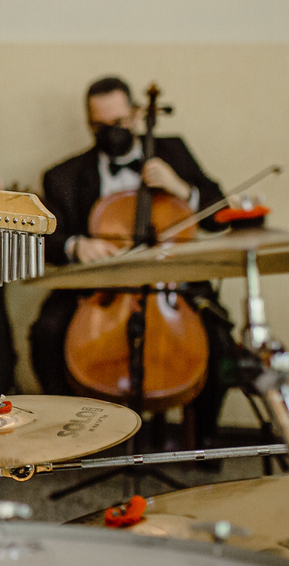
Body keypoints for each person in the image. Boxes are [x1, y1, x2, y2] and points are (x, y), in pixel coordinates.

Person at [29, 76, 228, 435]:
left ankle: (204, 439)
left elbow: (219, 215)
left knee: (218, 335)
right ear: (90, 123)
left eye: (119, 123)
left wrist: (181, 188)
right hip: (98, 290)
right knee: (46, 331)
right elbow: (46, 235)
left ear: (137, 116)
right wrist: (77, 244)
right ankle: (69, 437)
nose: (111, 132)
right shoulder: (64, 175)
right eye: (100, 126)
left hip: (173, 285)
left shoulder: (174, 152)